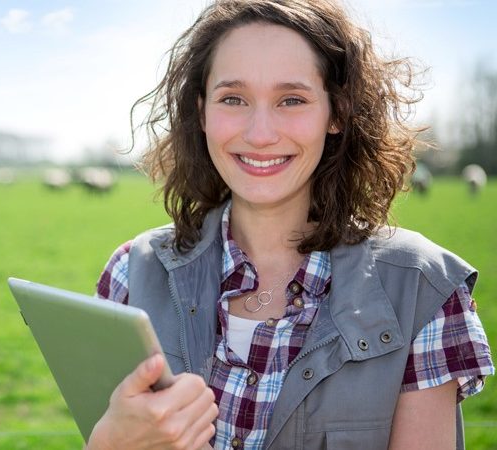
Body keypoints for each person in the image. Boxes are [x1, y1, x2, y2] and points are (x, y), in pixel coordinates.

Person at [89, 1, 494, 449]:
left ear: (336, 113)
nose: (260, 133)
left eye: (292, 100)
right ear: (202, 112)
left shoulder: (423, 291)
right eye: (233, 99)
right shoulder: (131, 275)